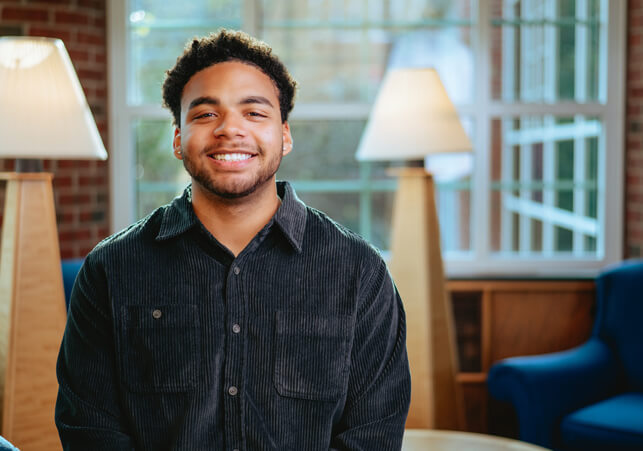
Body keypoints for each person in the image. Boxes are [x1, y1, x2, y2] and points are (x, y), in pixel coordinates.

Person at [55, 29, 411, 450]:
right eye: (206, 114)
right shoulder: (111, 270)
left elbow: (372, 436)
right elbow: (90, 431)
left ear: (284, 135)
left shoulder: (359, 271)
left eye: (255, 113)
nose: (229, 130)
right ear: (177, 138)